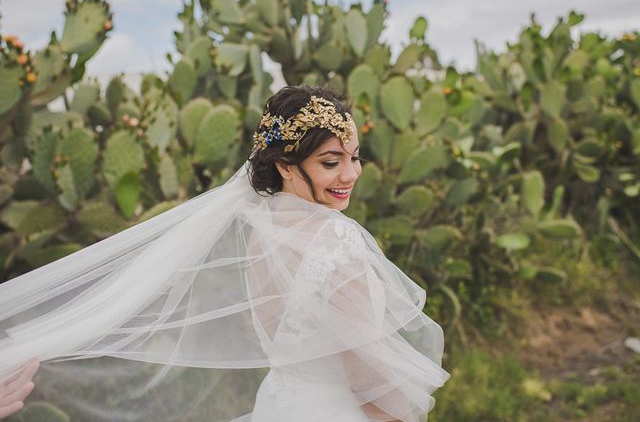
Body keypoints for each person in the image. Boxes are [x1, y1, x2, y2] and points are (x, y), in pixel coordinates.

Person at [0, 85, 449, 421]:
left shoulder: (263, 226)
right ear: (286, 167)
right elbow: (369, 380)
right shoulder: (336, 241)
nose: (349, 173)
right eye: (330, 162)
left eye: (354, 156)